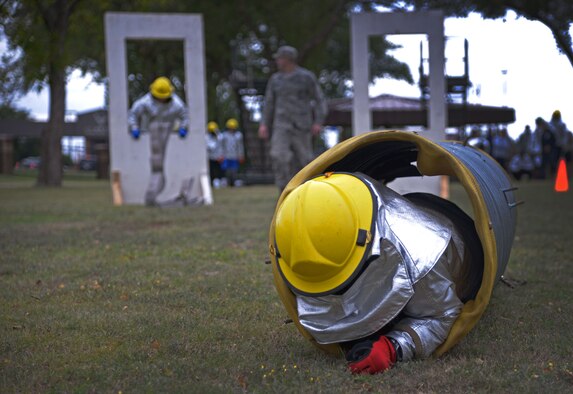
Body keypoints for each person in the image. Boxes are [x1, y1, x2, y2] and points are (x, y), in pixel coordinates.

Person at [273, 172, 483, 374]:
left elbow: (443, 315)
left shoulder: (421, 252)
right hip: (413, 205)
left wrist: (394, 347)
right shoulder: (332, 203)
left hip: (456, 233)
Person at [258, 45, 328, 192]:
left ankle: (307, 191)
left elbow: (319, 100)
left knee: (305, 160)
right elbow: (269, 103)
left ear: (288, 59)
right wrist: (264, 124)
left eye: (279, 58)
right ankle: (284, 191)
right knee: (278, 156)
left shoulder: (306, 77)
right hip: (281, 125)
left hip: (301, 126)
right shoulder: (275, 80)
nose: (277, 61)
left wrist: (318, 122)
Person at [128, 76, 189, 206]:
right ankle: (151, 194)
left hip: (168, 132)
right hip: (150, 132)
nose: (161, 99)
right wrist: (134, 128)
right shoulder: (145, 102)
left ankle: (160, 187)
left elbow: (185, 116)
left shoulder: (177, 105)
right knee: (155, 163)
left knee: (161, 163)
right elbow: (133, 114)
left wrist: (183, 128)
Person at [220, 118, 245, 187]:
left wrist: (241, 155)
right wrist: (221, 155)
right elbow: (222, 146)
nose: (231, 129)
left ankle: (233, 183)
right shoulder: (224, 135)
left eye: (233, 128)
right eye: (230, 128)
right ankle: (227, 183)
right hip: (226, 156)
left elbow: (240, 147)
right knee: (227, 171)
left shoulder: (238, 135)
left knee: (234, 171)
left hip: (235, 156)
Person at [206, 121, 223, 188]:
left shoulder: (218, 136)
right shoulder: (207, 137)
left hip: (217, 157)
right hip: (210, 157)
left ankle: (218, 181)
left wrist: (217, 132)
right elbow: (211, 146)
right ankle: (212, 182)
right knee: (211, 170)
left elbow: (221, 138)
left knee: (218, 170)